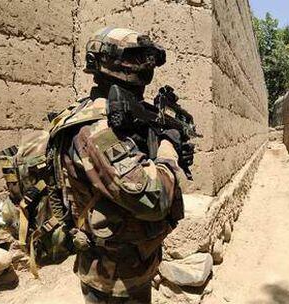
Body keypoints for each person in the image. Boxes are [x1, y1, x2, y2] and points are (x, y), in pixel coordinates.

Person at [48, 27, 194, 303]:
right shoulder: (97, 128)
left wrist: (157, 139)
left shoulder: (119, 115)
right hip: (113, 278)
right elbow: (154, 198)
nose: (144, 67)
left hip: (130, 265)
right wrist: (169, 147)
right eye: (137, 58)